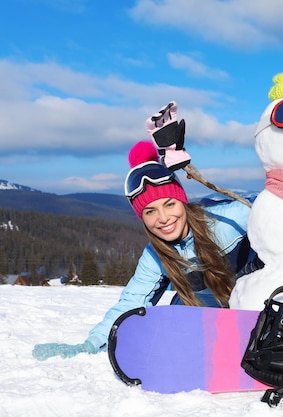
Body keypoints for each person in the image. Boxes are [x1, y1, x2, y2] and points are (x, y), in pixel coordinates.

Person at [32, 141, 251, 360]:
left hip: (261, 303)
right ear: (142, 218)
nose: (163, 219)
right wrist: (89, 346)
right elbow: (132, 303)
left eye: (169, 204)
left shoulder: (226, 220)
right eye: (150, 211)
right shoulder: (156, 255)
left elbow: (277, 204)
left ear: (182, 202)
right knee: (172, 323)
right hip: (211, 316)